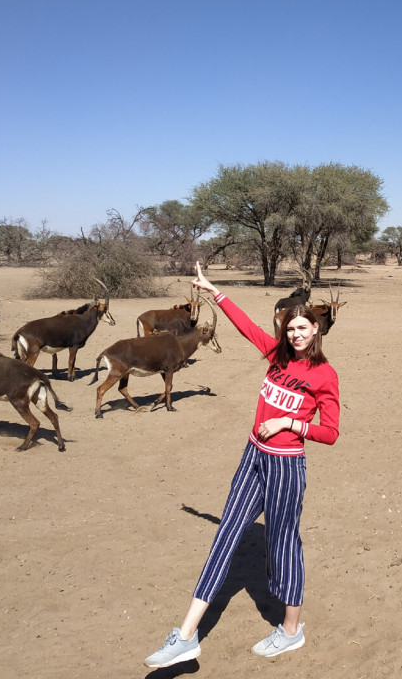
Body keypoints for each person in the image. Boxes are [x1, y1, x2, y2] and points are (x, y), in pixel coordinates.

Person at [144, 262, 340, 668]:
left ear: (316, 330)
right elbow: (245, 325)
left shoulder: (324, 375)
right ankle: (185, 636)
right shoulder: (275, 355)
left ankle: (291, 631)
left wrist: (289, 423)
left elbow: (330, 432)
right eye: (289, 328)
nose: (295, 334)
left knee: (282, 544)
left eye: (302, 328)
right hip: (253, 457)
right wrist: (213, 290)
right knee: (226, 534)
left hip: (286, 468)